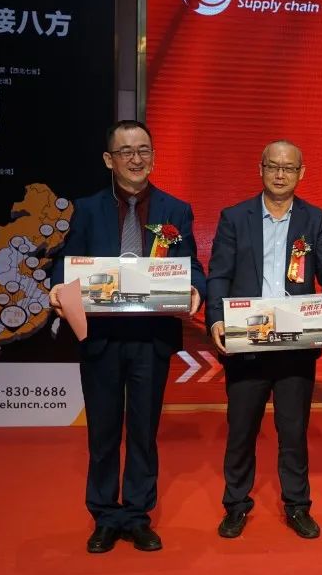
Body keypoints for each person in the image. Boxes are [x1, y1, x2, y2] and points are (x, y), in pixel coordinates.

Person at [49, 119, 206, 553]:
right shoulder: (88, 209)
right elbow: (66, 262)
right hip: (100, 336)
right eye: (126, 151)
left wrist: (196, 289)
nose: (136, 159)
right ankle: (104, 516)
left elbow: (191, 264)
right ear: (109, 160)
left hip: (151, 338)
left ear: (153, 156)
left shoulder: (176, 210)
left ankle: (136, 515)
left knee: (142, 431)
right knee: (102, 433)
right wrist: (58, 287)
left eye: (144, 150)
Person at [205, 140, 322, 540]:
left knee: (293, 431)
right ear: (261, 169)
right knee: (241, 430)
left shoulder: (314, 219)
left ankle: (297, 506)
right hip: (246, 342)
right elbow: (219, 274)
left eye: (288, 168)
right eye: (273, 166)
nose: (280, 174)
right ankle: (236, 505)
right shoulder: (235, 217)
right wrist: (215, 318)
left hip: (296, 343)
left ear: (301, 173)